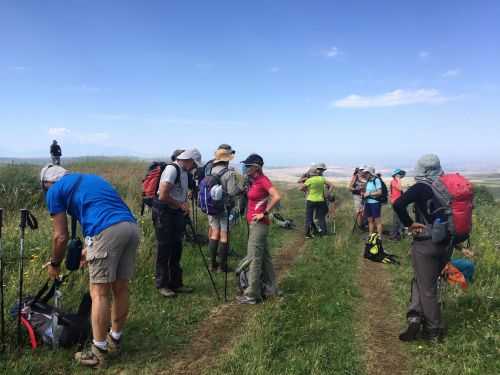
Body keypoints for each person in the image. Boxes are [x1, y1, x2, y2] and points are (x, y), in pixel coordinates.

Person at [40, 164, 139, 368]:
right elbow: (99, 212)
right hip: (130, 228)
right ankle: (115, 340)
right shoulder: (91, 179)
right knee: (121, 288)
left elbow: (60, 237)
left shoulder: (54, 191)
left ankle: (99, 352)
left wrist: (55, 263)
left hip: (106, 231)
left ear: (48, 183)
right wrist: (88, 248)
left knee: (99, 293)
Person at [393, 154, 451, 342]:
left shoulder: (420, 187)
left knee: (427, 288)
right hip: (446, 243)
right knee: (422, 279)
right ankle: (415, 317)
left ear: (422, 170)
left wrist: (409, 224)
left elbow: (398, 204)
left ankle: (433, 331)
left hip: (427, 241)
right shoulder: (447, 185)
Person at [152, 148, 202, 298]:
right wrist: (180, 205)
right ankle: (162, 285)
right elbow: (162, 195)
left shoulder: (184, 171)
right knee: (165, 248)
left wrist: (183, 203)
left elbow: (179, 192)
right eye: (194, 164)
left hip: (176, 213)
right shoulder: (171, 170)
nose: (194, 167)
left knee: (176, 248)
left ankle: (176, 283)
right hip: (164, 213)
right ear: (188, 160)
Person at [237, 154, 280, 304]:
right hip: (255, 224)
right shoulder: (254, 181)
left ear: (256, 167)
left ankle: (252, 294)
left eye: (248, 166)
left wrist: (264, 213)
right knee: (265, 259)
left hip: (259, 225)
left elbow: (276, 196)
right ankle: (272, 289)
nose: (245, 168)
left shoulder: (263, 180)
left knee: (254, 258)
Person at [206, 144, 243, 272]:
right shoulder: (229, 173)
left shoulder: (210, 170)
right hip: (225, 208)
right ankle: (222, 266)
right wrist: (241, 189)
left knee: (214, 233)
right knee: (224, 235)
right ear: (227, 159)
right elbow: (232, 192)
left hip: (211, 207)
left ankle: (212, 264)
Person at [300, 163, 333, 238]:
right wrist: (328, 194)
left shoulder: (310, 180)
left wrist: (306, 190)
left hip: (310, 200)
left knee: (309, 217)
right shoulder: (322, 179)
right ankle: (324, 234)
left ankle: (308, 234)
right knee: (321, 217)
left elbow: (300, 188)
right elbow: (332, 185)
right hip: (321, 200)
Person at [362, 167, 383, 237]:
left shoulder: (376, 180)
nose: (365, 174)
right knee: (370, 221)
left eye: (366, 173)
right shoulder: (368, 181)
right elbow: (367, 191)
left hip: (375, 203)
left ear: (370, 173)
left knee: (377, 221)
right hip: (368, 203)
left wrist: (369, 194)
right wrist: (364, 194)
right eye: (365, 173)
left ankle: (379, 237)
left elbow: (379, 192)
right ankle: (370, 236)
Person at [389, 169, 406, 240]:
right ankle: (394, 235)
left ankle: (400, 233)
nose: (401, 176)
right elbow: (400, 188)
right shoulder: (393, 181)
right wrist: (398, 179)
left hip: (399, 202)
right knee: (396, 219)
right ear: (396, 175)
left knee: (400, 218)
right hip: (396, 203)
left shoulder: (396, 181)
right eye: (399, 175)